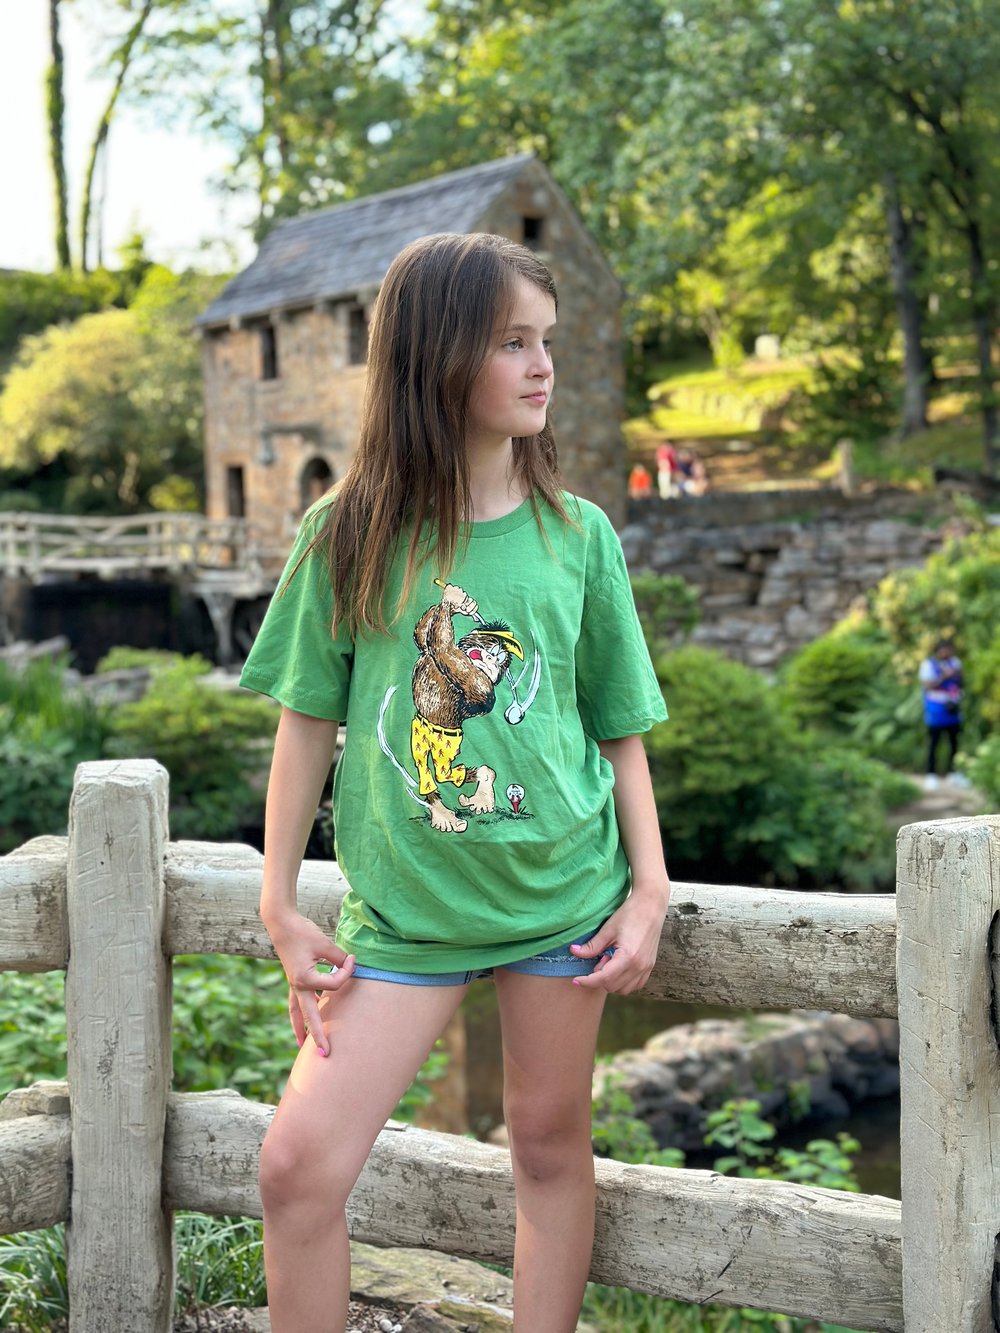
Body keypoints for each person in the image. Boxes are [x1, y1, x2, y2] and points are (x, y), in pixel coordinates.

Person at [238, 231, 671, 1333]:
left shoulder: (579, 536)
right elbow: (307, 722)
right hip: (404, 919)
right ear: (437, 356)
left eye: (547, 341)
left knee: (548, 1147)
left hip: (562, 900)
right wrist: (278, 901)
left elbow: (619, 726)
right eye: (512, 343)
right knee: (295, 1169)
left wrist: (650, 888)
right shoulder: (348, 532)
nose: (543, 366)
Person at [918, 638, 967, 790]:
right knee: (934, 743)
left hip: (952, 708)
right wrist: (944, 676)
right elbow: (927, 685)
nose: (948, 653)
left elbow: (961, 682)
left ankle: (954, 773)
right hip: (935, 710)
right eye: (945, 649)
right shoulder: (928, 664)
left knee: (954, 742)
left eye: (950, 649)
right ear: (938, 650)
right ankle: (931, 775)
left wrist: (958, 676)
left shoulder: (955, 663)